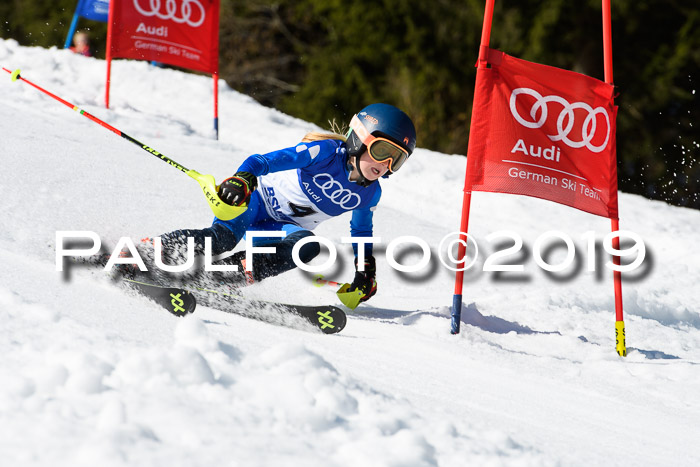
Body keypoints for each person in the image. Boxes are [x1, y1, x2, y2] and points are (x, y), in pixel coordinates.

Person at [151, 103, 417, 304]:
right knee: (221, 239)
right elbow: (260, 162)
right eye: (382, 151)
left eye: (397, 159)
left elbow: (361, 232)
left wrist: (364, 271)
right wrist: (242, 179)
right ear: (360, 139)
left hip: (279, 227)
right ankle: (151, 252)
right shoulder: (323, 154)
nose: (386, 165)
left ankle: (220, 278)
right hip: (254, 203)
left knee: (308, 245)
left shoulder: (370, 194)